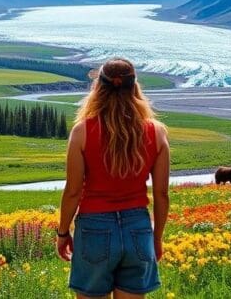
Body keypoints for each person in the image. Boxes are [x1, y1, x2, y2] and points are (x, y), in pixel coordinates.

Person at [56, 58, 170, 299]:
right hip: (138, 231)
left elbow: (73, 192)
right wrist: (156, 238)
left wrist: (63, 233)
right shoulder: (156, 132)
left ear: (99, 87)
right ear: (135, 87)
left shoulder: (82, 132)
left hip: (94, 229)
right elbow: (161, 194)